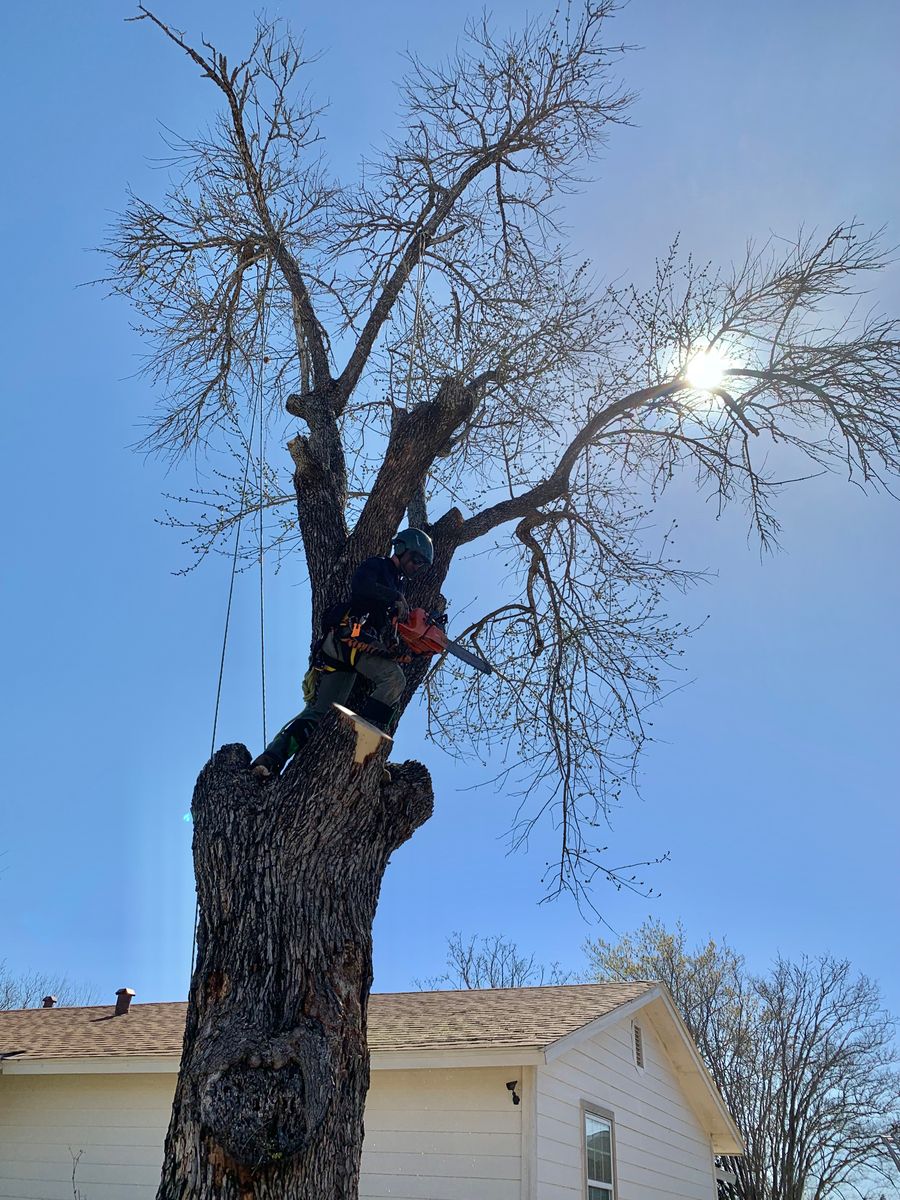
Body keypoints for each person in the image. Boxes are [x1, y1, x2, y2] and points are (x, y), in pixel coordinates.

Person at [249, 528, 434, 779]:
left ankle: (270, 759)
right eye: (416, 559)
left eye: (422, 564)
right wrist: (394, 596)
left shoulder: (397, 588)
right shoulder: (378, 565)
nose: (417, 566)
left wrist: (413, 646)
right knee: (393, 679)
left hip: (353, 655)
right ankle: (363, 753)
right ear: (401, 549)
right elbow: (361, 586)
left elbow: (390, 636)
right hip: (348, 640)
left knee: (320, 713)